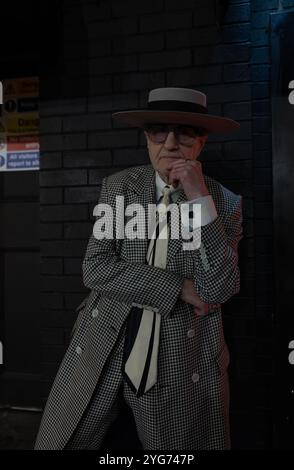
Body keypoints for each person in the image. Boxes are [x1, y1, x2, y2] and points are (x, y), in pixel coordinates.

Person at [35, 87, 243, 450]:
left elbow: (218, 289)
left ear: (202, 141)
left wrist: (198, 199)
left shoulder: (223, 203)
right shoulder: (119, 188)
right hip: (105, 339)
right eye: (159, 131)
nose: (171, 143)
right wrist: (178, 286)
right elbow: (96, 268)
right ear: (147, 139)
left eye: (185, 132)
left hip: (179, 354)